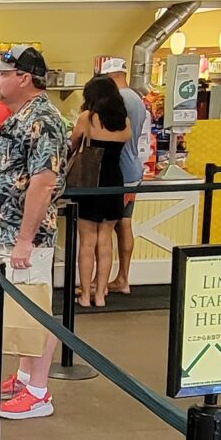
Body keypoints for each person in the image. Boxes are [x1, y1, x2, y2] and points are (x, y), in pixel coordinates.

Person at [0, 45, 67, 420]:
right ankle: (27, 378)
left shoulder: (43, 119)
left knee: (36, 307)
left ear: (24, 78)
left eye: (3, 73)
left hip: (25, 237)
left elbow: (43, 182)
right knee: (25, 306)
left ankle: (38, 392)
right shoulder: (22, 116)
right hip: (10, 233)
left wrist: (25, 239)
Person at [67, 76, 132, 309]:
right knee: (105, 240)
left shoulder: (88, 117)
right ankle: (101, 294)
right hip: (114, 181)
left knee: (87, 242)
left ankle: (85, 295)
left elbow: (73, 143)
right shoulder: (124, 121)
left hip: (90, 181)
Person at [112, 83, 152, 294]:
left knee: (104, 229)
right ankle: (123, 279)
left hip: (119, 172)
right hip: (134, 169)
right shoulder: (139, 102)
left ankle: (99, 284)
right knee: (125, 224)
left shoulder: (115, 105)